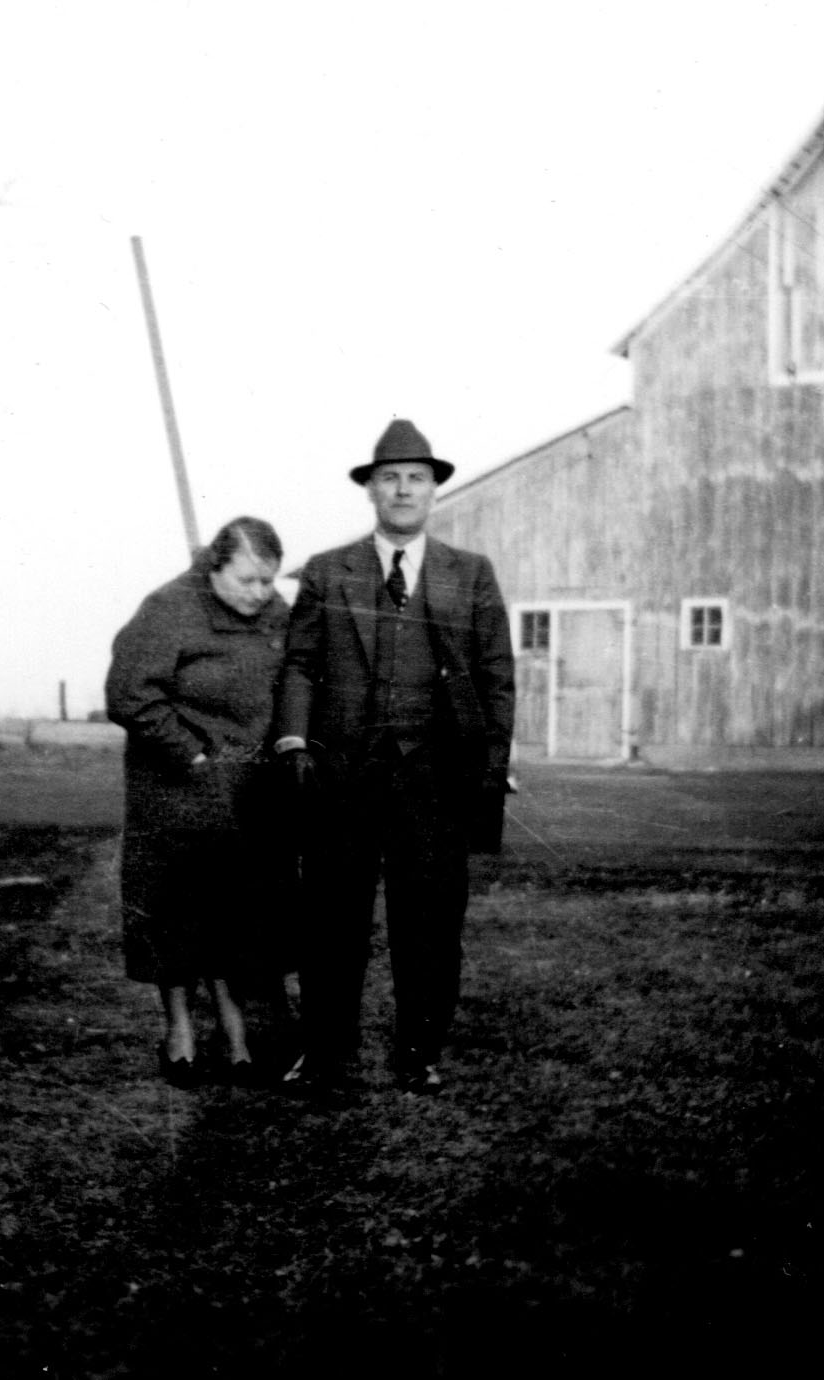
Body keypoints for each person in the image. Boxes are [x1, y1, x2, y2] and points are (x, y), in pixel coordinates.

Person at [273, 419, 515, 1095]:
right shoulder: (328, 571)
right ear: (371, 490)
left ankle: (419, 1053)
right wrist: (293, 740)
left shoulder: (470, 573)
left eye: (416, 478)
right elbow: (299, 664)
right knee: (331, 920)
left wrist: (490, 764)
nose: (403, 490)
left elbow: (496, 676)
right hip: (342, 775)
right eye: (390, 478)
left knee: (430, 922)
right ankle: (326, 1052)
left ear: (434, 490)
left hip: (434, 779)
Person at [105, 517, 293, 1087]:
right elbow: (129, 694)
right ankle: (180, 1033)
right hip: (177, 790)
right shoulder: (169, 608)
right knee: (176, 915)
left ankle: (237, 1035)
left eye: (269, 580)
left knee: (237, 914)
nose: (260, 593)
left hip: (251, 791)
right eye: (247, 580)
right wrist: (190, 753)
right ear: (215, 567)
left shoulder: (276, 614)